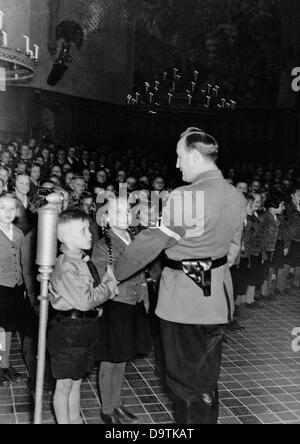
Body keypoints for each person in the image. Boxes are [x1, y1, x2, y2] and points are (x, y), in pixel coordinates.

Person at [113, 128, 246, 424]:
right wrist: (209, 272)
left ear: (195, 156)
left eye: (180, 156)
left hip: (184, 302)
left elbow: (152, 242)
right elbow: (234, 248)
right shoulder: (236, 195)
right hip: (216, 298)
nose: (177, 164)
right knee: (205, 375)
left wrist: (113, 273)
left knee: (182, 380)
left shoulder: (185, 196)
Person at [46, 209, 119, 424]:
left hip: (85, 327)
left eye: (89, 229)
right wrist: (109, 284)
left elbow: (93, 295)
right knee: (64, 385)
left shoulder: (82, 260)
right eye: (83, 230)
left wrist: (105, 286)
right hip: (68, 330)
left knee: (76, 381)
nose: (90, 234)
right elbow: (86, 300)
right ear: (67, 238)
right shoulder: (65, 265)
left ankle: (75, 420)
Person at [92, 197, 149, 424]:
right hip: (115, 305)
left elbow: (143, 274)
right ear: (106, 218)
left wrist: (144, 298)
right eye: (119, 212)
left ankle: (116, 403)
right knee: (110, 358)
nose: (125, 216)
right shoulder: (101, 245)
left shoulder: (133, 238)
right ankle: (107, 409)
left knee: (123, 357)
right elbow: (104, 277)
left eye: (127, 212)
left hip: (133, 304)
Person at [0, 193, 25, 386]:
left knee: (8, 327)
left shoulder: (18, 233)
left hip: (14, 286)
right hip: (0, 286)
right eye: (2, 208)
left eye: (11, 208)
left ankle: (4, 364)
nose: (8, 212)